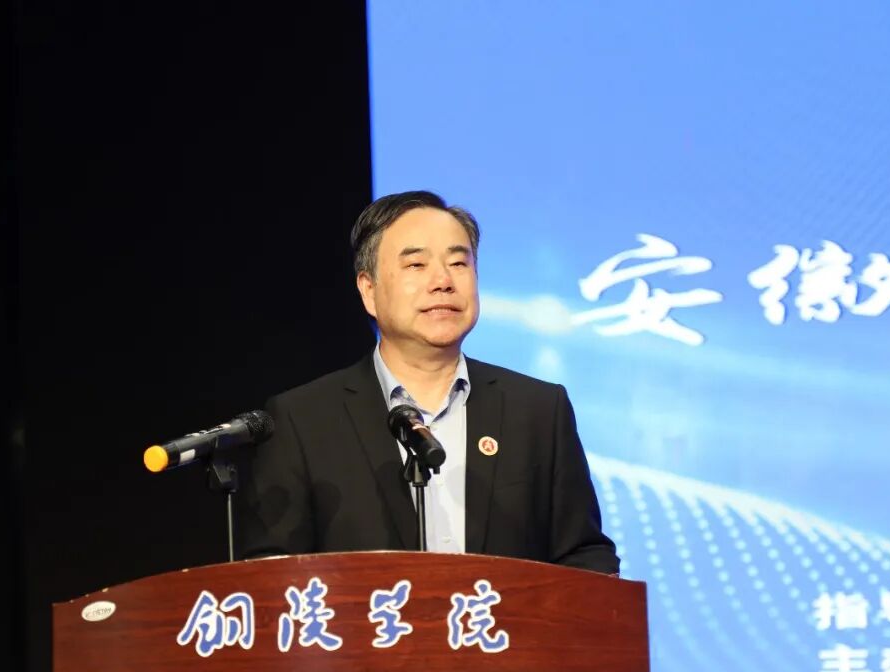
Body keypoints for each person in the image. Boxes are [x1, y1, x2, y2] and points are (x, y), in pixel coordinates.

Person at [236, 190, 619, 574]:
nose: (443, 281)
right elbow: (272, 574)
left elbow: (584, 556)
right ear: (368, 290)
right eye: (417, 265)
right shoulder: (303, 420)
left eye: (458, 263)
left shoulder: (538, 410)